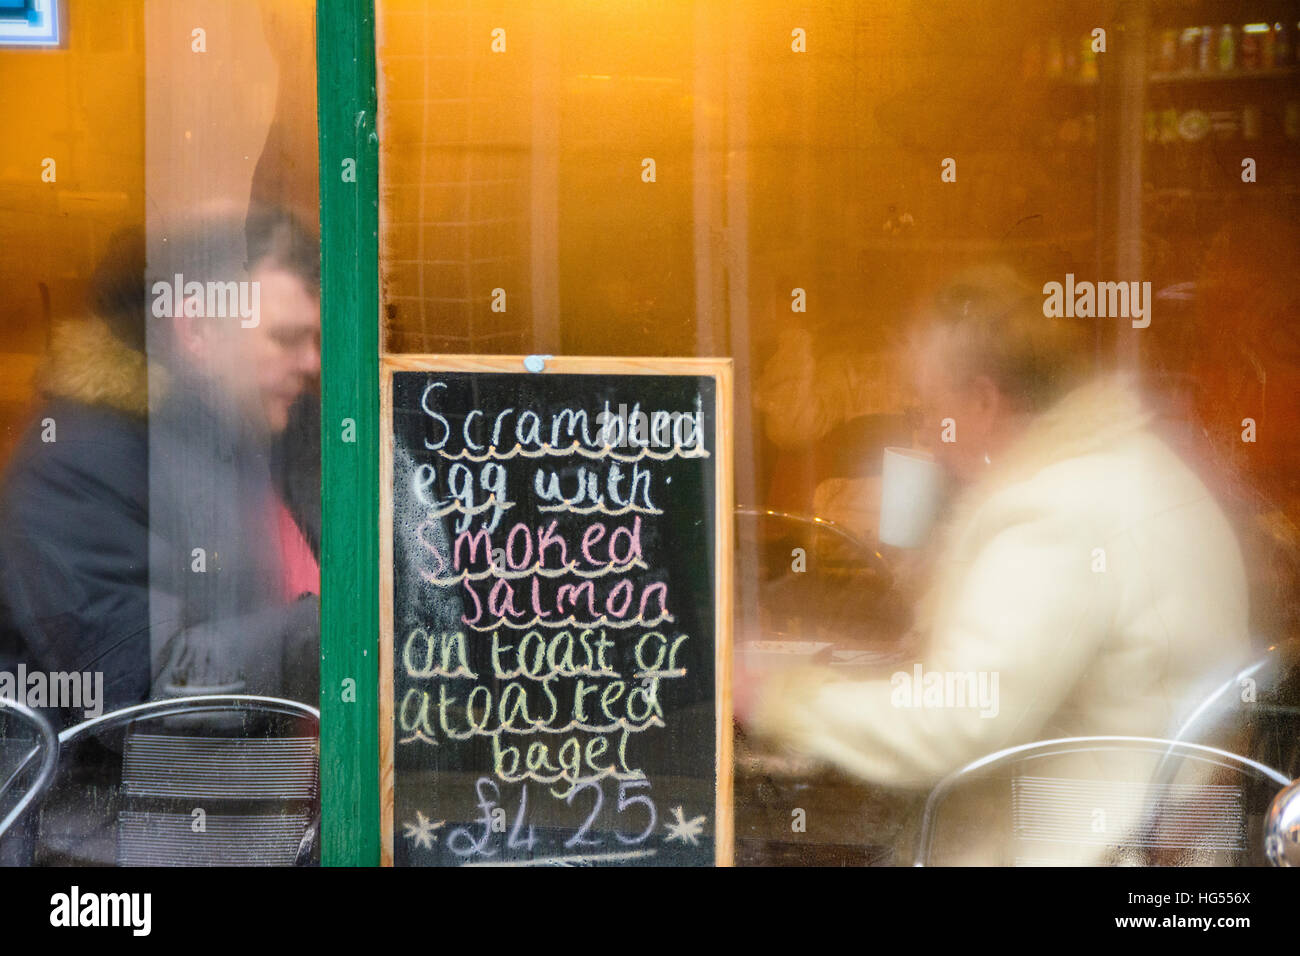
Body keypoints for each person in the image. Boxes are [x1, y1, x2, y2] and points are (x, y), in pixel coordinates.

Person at [736, 264, 1253, 864]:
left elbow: (957, 719)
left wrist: (772, 694)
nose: (926, 435)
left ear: (983, 400)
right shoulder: (1122, 460)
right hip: (1150, 835)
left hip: (1093, 848)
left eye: (925, 409)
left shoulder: (1057, 507)